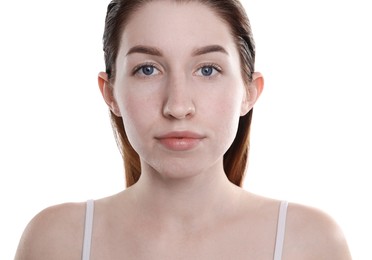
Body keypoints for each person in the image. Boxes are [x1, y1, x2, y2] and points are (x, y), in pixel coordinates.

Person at [15, 0, 352, 259]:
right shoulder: (57, 240)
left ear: (249, 92)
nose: (177, 106)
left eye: (207, 70)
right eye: (147, 69)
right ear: (110, 93)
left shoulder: (308, 242)